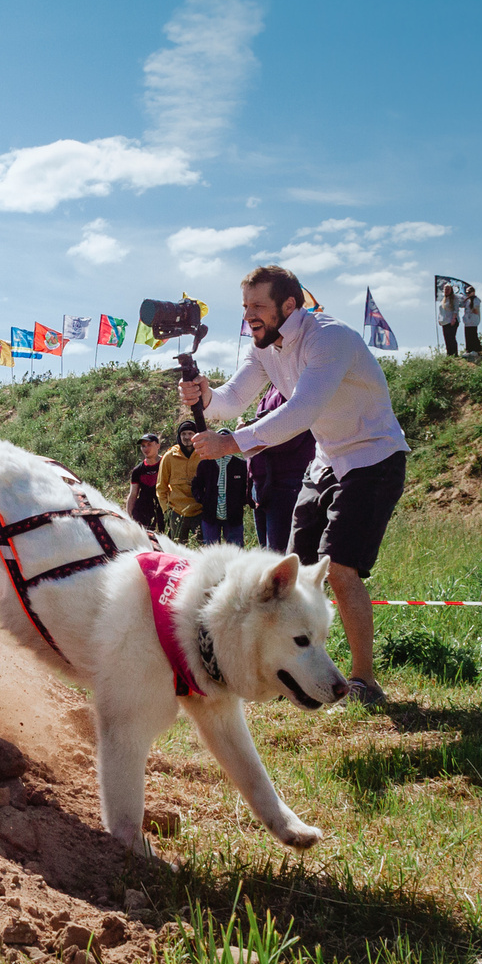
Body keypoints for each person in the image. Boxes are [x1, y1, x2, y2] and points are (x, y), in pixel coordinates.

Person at [180, 265, 412, 706]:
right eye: (246, 306)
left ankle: (364, 681)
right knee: (296, 573)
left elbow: (301, 412)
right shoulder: (263, 344)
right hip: (327, 459)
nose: (250, 316)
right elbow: (232, 399)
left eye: (259, 307)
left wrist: (230, 443)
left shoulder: (330, 338)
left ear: (290, 305)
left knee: (341, 569)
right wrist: (206, 396)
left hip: (373, 456)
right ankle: (297, 677)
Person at [244, 388, 316, 553]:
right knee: (267, 556)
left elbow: (289, 437)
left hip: (284, 485)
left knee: (279, 557)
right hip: (263, 485)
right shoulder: (271, 389)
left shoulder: (295, 387)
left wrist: (248, 434)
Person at [157, 422, 203, 541]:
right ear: (179, 436)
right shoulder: (169, 457)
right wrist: (166, 510)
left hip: (200, 511)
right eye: (183, 434)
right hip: (177, 512)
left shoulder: (203, 454)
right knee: (178, 551)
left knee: (204, 549)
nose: (187, 437)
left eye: (190, 433)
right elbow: (161, 486)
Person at [125, 434, 164, 533]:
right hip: (144, 511)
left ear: (158, 446)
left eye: (149, 444)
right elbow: (133, 494)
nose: (146, 448)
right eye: (143, 446)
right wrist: (128, 516)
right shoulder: (138, 470)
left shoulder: (166, 463)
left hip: (163, 509)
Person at [436, 280, 461, 358]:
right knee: (446, 338)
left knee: (451, 338)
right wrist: (439, 319)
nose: (446, 291)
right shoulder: (443, 300)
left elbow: (456, 309)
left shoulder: (454, 298)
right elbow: (441, 310)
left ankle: (455, 354)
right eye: (445, 289)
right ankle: (449, 354)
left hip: (452, 320)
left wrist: (454, 318)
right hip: (445, 322)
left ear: (451, 290)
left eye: (448, 289)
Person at [461, 287, 482, 358]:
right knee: (467, 334)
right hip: (467, 321)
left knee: (473, 334)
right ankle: (468, 349)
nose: (468, 294)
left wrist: (471, 310)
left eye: (469, 292)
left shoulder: (476, 300)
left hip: (473, 320)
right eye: (467, 292)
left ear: (473, 292)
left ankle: (476, 349)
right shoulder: (467, 300)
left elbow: (476, 310)